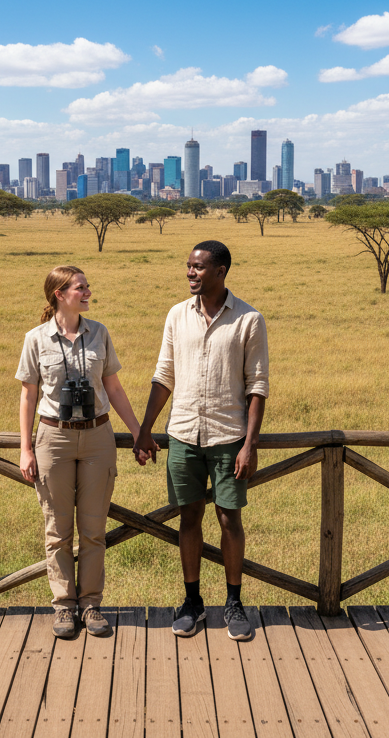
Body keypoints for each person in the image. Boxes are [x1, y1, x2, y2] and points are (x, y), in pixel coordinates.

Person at [133, 241, 268, 642]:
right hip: (183, 435)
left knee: (229, 518)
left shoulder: (249, 320)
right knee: (189, 518)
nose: (190, 273)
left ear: (221, 270)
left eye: (198, 267)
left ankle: (233, 602)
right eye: (188, 266)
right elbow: (164, 376)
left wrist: (250, 444)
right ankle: (192, 602)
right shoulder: (177, 315)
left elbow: (257, 386)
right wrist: (144, 428)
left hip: (229, 436)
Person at [16, 265, 144, 639]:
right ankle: (63, 607)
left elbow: (114, 388)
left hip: (97, 437)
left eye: (87, 286)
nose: (87, 292)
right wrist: (25, 449)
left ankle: (90, 605)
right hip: (53, 438)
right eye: (80, 287)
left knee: (93, 530)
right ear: (59, 294)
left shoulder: (99, 333)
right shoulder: (36, 339)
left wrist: (138, 432)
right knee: (57, 530)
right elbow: (28, 395)